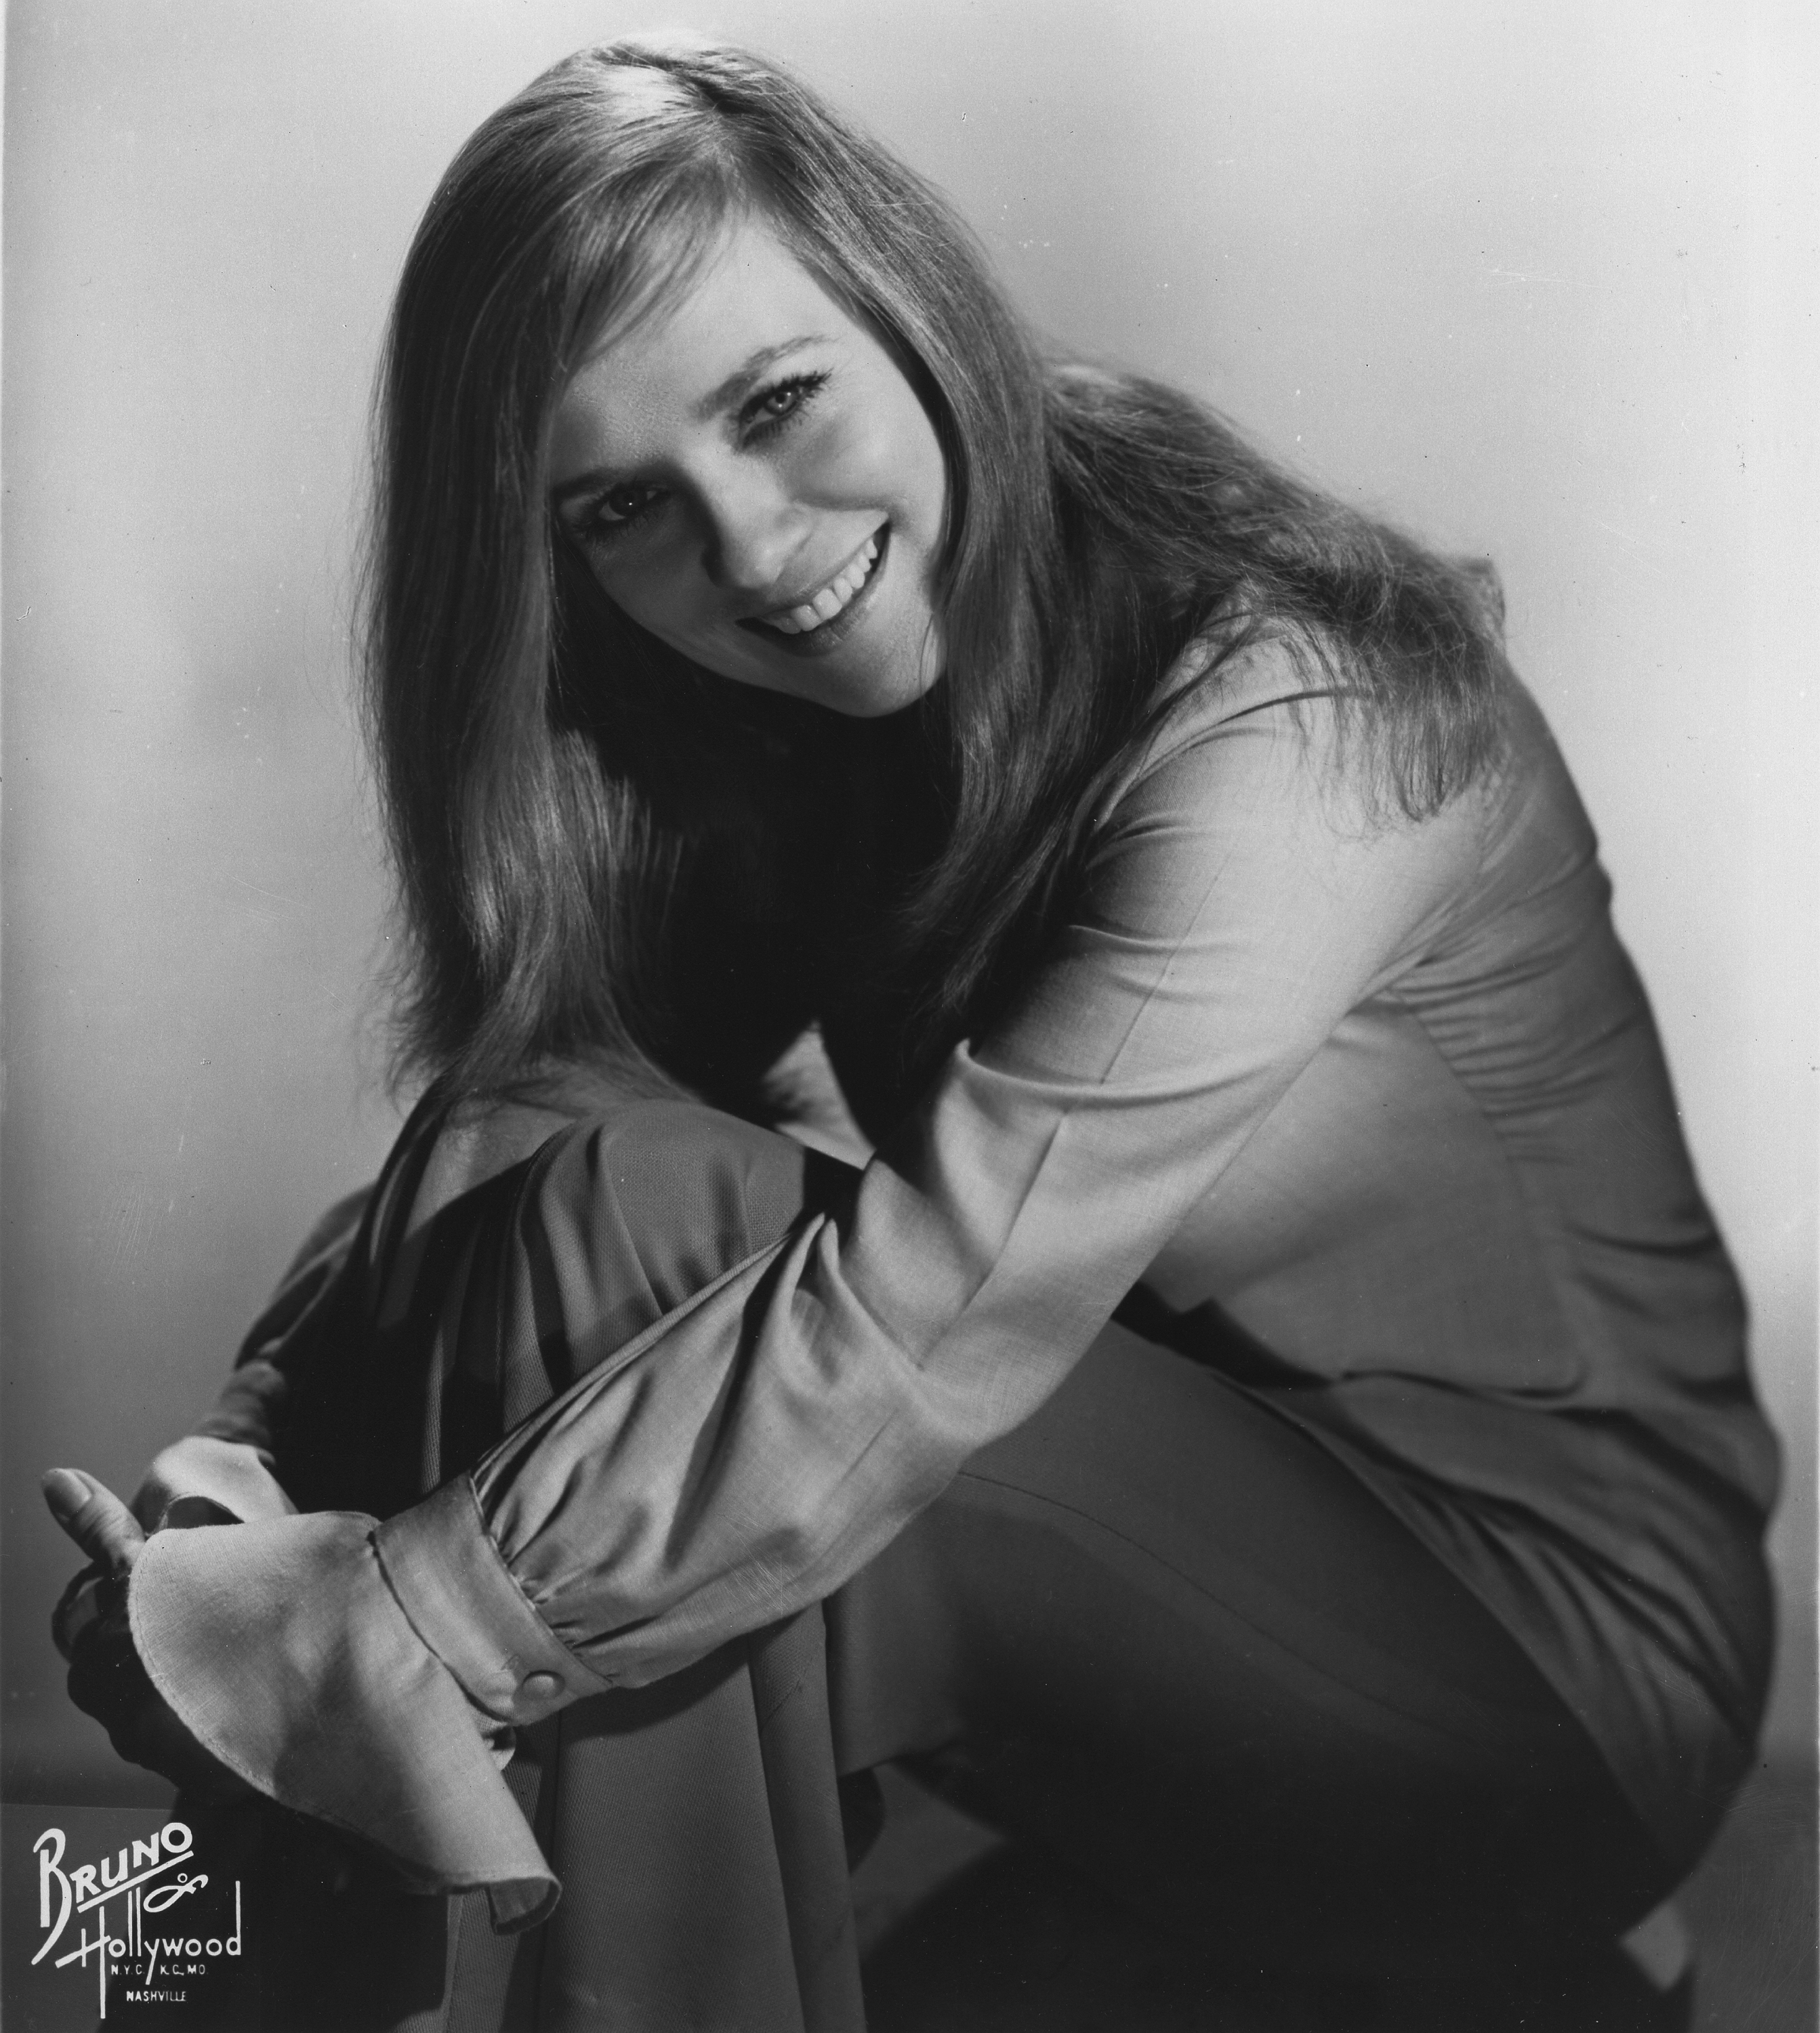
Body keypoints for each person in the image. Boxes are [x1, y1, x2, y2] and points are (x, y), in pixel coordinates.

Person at [44, 37, 1777, 2033]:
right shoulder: (806, 717)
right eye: (625, 511)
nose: (759, 550)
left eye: (779, 406)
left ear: (905, 297)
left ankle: (334, 1973)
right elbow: (526, 1113)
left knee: (661, 1238)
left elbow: (937, 1310)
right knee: (588, 1177)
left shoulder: (1302, 718)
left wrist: (388, 1621)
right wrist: (235, 1500)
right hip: (1146, 1688)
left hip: (1546, 1706)